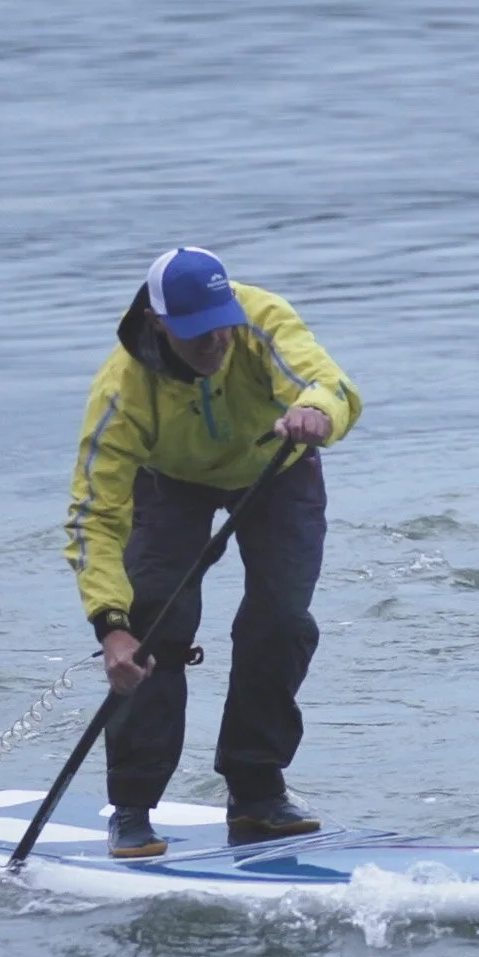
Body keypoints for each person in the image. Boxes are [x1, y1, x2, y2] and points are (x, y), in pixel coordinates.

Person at [63, 246, 361, 858]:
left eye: (222, 323)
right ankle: (133, 807)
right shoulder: (120, 391)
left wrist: (315, 412)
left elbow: (330, 384)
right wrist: (110, 628)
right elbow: (95, 518)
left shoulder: (260, 319)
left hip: (278, 464)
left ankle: (256, 793)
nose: (216, 342)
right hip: (169, 480)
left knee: (280, 621)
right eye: (197, 332)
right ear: (158, 322)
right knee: (151, 631)